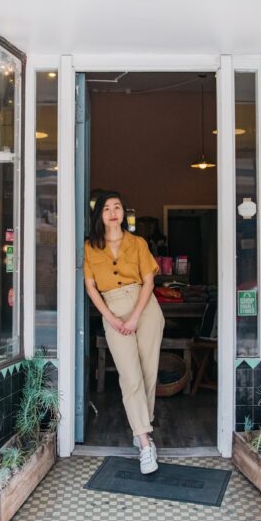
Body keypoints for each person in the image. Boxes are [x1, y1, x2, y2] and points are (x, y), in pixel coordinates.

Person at [83, 191, 165, 474]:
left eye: (117, 207)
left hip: (145, 309)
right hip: (113, 309)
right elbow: (91, 288)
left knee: (147, 373)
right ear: (99, 215)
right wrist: (112, 317)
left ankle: (140, 427)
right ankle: (145, 444)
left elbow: (149, 281)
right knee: (130, 377)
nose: (113, 212)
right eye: (107, 208)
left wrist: (135, 317)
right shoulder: (90, 248)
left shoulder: (138, 243)